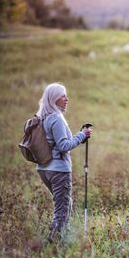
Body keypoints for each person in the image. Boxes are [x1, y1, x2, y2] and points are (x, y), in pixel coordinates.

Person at [36, 83, 92, 242]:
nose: (66, 99)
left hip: (43, 169)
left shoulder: (42, 117)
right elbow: (63, 146)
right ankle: (54, 243)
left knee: (65, 204)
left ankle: (62, 238)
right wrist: (82, 135)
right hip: (59, 170)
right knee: (62, 210)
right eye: (63, 96)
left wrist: (79, 137)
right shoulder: (56, 119)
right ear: (54, 99)